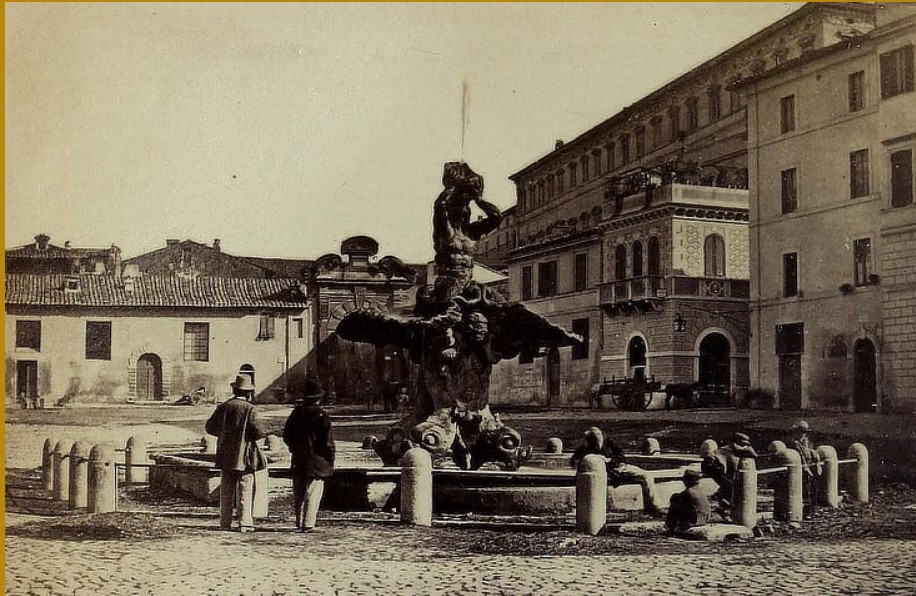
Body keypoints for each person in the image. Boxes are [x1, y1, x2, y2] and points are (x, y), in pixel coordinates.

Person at [205, 375, 267, 533]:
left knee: (226, 488)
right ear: (248, 393)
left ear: (234, 390)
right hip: (244, 455)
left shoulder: (224, 407)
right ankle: (244, 523)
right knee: (245, 487)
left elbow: (210, 427)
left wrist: (224, 434)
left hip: (225, 454)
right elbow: (259, 432)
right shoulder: (250, 408)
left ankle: (224, 522)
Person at [283, 378, 336, 533]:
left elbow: (286, 435)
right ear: (319, 398)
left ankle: (299, 521)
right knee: (312, 492)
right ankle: (308, 523)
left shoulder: (296, 413)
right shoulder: (322, 415)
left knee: (298, 491)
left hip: (299, 458)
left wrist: (294, 448)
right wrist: (330, 458)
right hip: (317, 460)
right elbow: (328, 442)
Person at [570, 427, 663, 514]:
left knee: (647, 475)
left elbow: (621, 456)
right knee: (646, 476)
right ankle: (655, 506)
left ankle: (653, 505)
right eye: (595, 437)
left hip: (620, 468)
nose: (598, 438)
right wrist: (594, 459)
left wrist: (610, 460)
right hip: (612, 473)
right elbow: (574, 461)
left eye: (599, 435)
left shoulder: (609, 443)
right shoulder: (585, 448)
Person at [702, 431, 758, 519]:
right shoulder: (729, 450)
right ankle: (724, 506)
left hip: (716, 467)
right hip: (713, 466)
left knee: (730, 485)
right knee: (732, 486)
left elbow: (754, 455)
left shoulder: (734, 451)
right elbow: (753, 455)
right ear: (736, 442)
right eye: (742, 444)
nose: (745, 446)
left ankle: (722, 502)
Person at [790, 419, 822, 519]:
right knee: (806, 490)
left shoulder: (807, 442)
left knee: (814, 489)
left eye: (805, 432)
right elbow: (801, 456)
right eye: (802, 432)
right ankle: (807, 512)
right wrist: (806, 468)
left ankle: (813, 510)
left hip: (811, 465)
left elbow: (813, 451)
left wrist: (816, 459)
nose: (803, 435)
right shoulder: (795, 443)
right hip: (803, 467)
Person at [665, 469, 711, 535]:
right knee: (679, 498)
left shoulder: (689, 492)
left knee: (675, 498)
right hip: (704, 519)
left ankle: (670, 526)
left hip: (696, 520)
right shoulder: (699, 490)